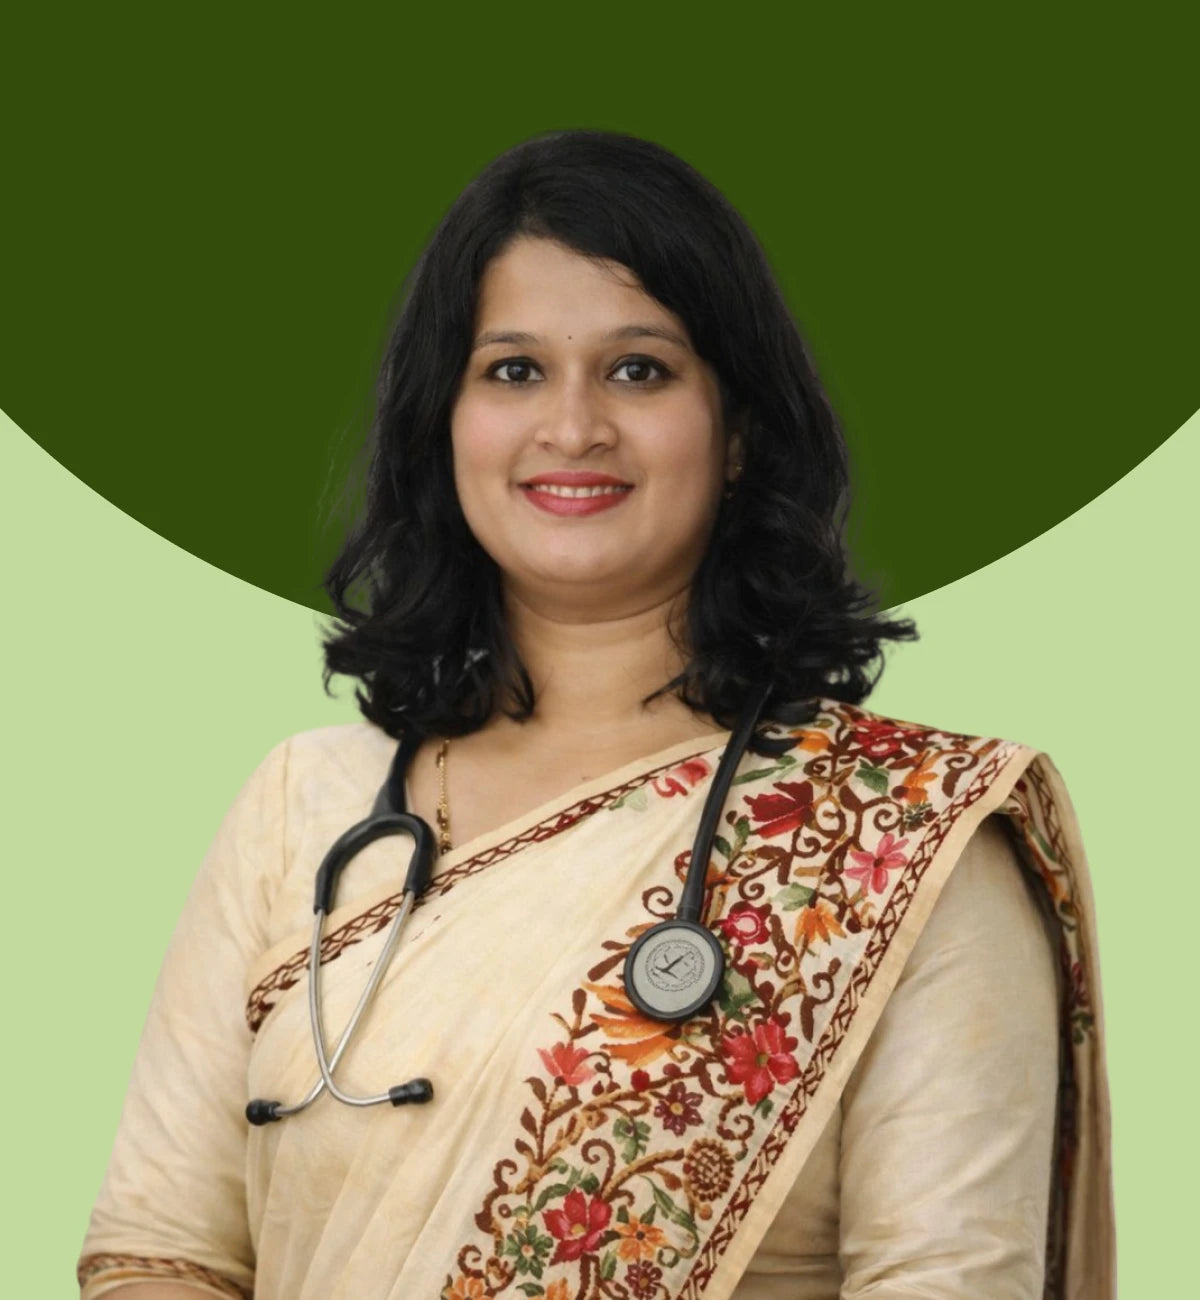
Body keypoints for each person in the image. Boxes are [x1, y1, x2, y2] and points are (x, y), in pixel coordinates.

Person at [77, 129, 1114, 1299]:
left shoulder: (903, 842)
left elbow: (944, 1278)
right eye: (514, 370)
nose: (572, 427)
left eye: (639, 370)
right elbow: (159, 1252)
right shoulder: (303, 807)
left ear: (739, 431)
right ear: (444, 424)